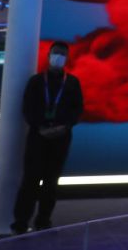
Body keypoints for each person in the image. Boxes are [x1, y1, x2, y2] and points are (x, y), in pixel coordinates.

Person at [11, 41, 83, 234]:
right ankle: (20, 222)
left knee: (51, 182)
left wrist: (64, 126)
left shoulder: (72, 83)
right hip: (38, 136)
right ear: (49, 55)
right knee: (30, 181)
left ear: (67, 58)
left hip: (61, 138)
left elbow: (77, 110)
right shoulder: (36, 82)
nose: (58, 57)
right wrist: (40, 126)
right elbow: (28, 108)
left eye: (62, 54)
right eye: (55, 53)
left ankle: (43, 220)